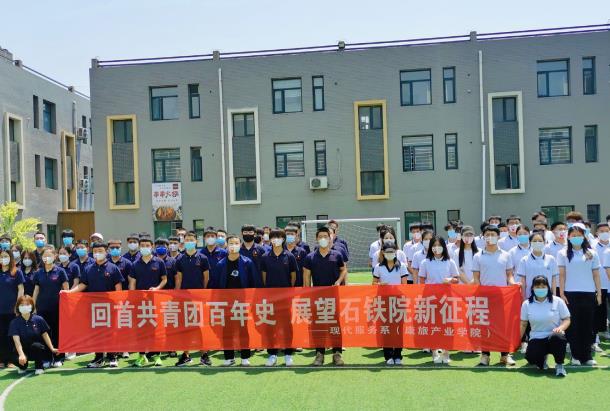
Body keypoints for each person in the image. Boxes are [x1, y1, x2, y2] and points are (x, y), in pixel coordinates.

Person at [65, 241, 123, 368]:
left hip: (110, 306)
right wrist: (69, 292)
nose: (97, 253)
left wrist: (118, 304)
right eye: (95, 251)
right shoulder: (88, 269)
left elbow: (118, 288)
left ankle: (112, 357)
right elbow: (83, 285)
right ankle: (98, 358)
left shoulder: (113, 268)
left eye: (100, 251)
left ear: (106, 252)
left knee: (111, 331)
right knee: (97, 333)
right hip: (94, 307)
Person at [472, 225, 518, 366]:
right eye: (487, 234)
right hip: (484, 296)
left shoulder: (506, 255)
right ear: (483, 237)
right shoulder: (478, 256)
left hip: (502, 296)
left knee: (503, 326)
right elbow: (476, 278)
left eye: (493, 234)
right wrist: (479, 292)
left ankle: (504, 355)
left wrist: (514, 284)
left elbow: (509, 275)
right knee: (484, 326)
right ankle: (485, 355)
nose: (490, 237)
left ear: (498, 237)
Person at [209, 235, 258, 366]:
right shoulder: (220, 264)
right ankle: (229, 357)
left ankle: (245, 357)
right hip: (225, 303)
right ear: (227, 245)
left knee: (243, 330)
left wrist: (252, 301)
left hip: (242, 303)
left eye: (236, 243)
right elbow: (214, 285)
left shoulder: (247, 262)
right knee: (227, 331)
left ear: (240, 245)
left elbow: (254, 283)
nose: (233, 246)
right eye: (231, 243)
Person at [303, 226, 348, 366]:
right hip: (317, 298)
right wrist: (307, 296)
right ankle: (319, 354)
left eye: (325, 236)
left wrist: (339, 281)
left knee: (335, 325)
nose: (323, 239)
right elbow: (306, 278)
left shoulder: (337, 255)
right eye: (320, 236)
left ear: (330, 238)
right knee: (318, 325)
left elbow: (343, 270)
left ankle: (337, 354)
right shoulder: (310, 257)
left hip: (333, 297)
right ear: (316, 239)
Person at [557, 224, 602, 366]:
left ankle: (587, 356)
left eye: (579, 235)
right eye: (573, 235)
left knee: (587, 326)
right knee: (573, 326)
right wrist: (562, 293)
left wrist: (599, 293)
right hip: (570, 294)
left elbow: (596, 275)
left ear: (584, 236)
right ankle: (575, 356)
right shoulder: (562, 253)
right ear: (569, 237)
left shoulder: (591, 253)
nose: (576, 238)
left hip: (588, 293)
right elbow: (562, 275)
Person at [418, 236, 461, 364]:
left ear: (444, 247)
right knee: (433, 326)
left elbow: (457, 279)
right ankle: (435, 352)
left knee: (447, 326)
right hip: (431, 299)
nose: (437, 248)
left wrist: (450, 280)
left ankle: (446, 353)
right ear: (431, 247)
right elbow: (421, 280)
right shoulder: (425, 262)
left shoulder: (450, 262)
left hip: (447, 299)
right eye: (434, 245)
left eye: (439, 245)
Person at [260, 228, 297, 367]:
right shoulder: (265, 257)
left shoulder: (289, 256)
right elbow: (264, 277)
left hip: (285, 298)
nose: (276, 239)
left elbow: (293, 276)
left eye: (279, 237)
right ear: (270, 239)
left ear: (283, 239)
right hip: (270, 298)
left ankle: (288, 354)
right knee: (270, 326)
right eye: (274, 237)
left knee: (286, 326)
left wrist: (287, 292)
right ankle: (272, 354)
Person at [128, 235, 167, 367]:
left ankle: (157, 356)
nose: (145, 248)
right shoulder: (135, 264)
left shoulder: (159, 262)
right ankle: (141, 356)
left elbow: (164, 279)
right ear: (139, 247)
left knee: (155, 328)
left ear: (152, 247)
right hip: (140, 302)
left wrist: (157, 288)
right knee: (140, 329)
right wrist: (133, 297)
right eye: (142, 246)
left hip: (155, 301)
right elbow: (132, 282)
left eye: (147, 246)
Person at [520, 276, 570, 377]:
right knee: (532, 358)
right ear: (532, 288)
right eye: (537, 286)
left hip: (554, 336)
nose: (540, 289)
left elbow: (567, 319)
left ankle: (559, 365)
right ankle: (542, 358)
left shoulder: (558, 301)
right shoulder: (526, 304)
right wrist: (517, 340)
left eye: (543, 286)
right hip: (536, 337)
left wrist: (560, 328)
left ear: (548, 287)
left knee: (557, 337)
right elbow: (523, 324)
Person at [174, 231, 211, 366]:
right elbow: (179, 279)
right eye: (187, 239)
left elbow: (206, 278)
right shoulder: (180, 259)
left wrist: (202, 293)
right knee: (186, 326)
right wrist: (178, 294)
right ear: (184, 241)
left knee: (201, 326)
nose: (189, 242)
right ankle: (186, 355)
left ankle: (204, 354)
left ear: (196, 241)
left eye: (191, 239)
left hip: (199, 298)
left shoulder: (203, 258)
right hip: (185, 298)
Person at [373, 241, 408, 365]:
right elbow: (373, 284)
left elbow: (405, 285)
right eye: (387, 252)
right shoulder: (378, 267)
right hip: (384, 301)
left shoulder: (401, 266)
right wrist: (380, 285)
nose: (390, 254)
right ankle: (388, 355)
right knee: (386, 328)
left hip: (398, 301)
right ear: (383, 252)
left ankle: (398, 355)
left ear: (396, 252)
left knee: (398, 329)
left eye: (392, 252)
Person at [32, 246, 69, 367]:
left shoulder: (60, 271)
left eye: (49, 255)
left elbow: (66, 289)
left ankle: (59, 357)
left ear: (55, 256)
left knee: (57, 332)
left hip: (57, 307)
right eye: (44, 256)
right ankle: (47, 358)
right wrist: (33, 305)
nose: (47, 258)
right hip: (42, 308)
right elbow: (36, 290)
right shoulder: (38, 273)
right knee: (44, 332)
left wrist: (66, 305)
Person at [9, 295, 59, 375]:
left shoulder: (39, 319)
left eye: (27, 304)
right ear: (18, 307)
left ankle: (39, 367)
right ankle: (22, 366)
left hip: (36, 348)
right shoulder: (14, 322)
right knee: (13, 357)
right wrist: (21, 355)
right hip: (22, 349)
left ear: (32, 306)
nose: (25, 307)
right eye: (22, 305)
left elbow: (45, 335)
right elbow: (17, 341)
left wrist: (52, 348)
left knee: (38, 346)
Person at [0, 247, 25, 368]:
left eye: (6, 256)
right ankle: (1, 359)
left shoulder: (16, 272)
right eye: (1, 257)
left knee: (11, 334)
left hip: (12, 309)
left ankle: (11, 360)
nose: (3, 259)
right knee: (1, 335)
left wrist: (17, 306)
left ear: (10, 258)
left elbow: (21, 289)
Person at [592, 223, 610, 343]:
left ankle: (605, 329)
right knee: (599, 308)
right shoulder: (592, 246)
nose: (604, 233)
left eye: (607, 231)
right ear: (597, 233)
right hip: (599, 283)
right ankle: (599, 331)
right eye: (601, 231)